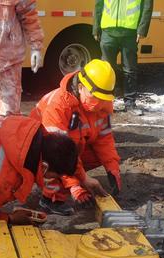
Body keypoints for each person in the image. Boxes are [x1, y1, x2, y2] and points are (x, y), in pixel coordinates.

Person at [30, 59, 118, 216]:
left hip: (68, 148)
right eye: (95, 96)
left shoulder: (101, 106)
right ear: (80, 87)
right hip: (41, 152)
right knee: (56, 160)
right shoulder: (58, 106)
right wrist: (76, 184)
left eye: (104, 98)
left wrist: (112, 168)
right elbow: (57, 153)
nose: (99, 103)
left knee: (95, 155)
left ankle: (71, 181)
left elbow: (104, 139)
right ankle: (51, 198)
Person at [93, 0, 153, 114]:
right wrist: (96, 27)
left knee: (130, 70)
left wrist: (142, 29)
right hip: (108, 32)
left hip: (130, 33)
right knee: (106, 70)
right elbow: (99, 4)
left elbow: (147, 5)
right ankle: (105, 103)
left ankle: (130, 104)